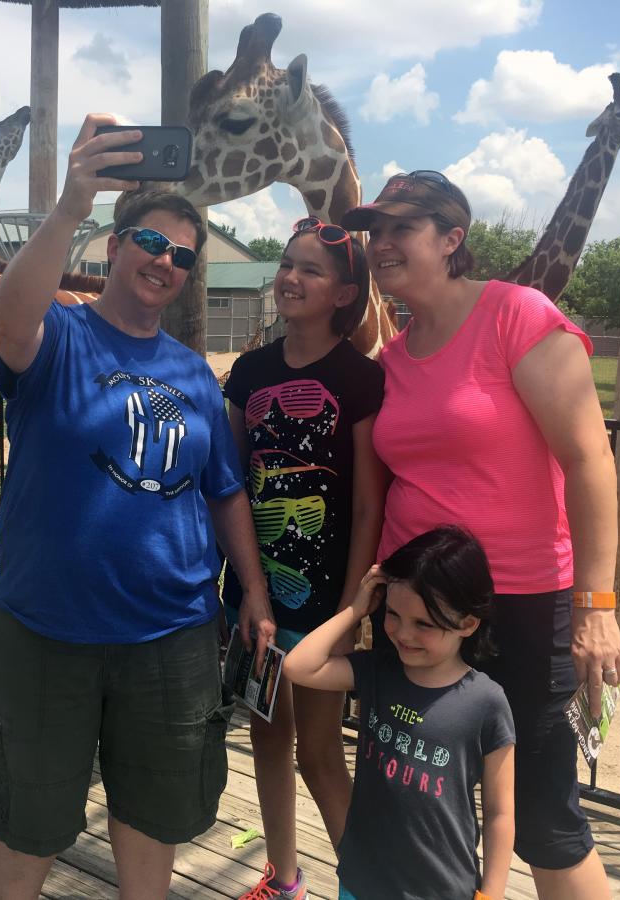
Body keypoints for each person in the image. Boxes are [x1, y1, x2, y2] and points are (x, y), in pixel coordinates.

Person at [0, 114, 276, 900]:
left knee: (154, 814)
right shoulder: (59, 339)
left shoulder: (194, 374)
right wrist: (73, 201)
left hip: (172, 639)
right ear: (114, 248)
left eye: (182, 255)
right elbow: (9, 315)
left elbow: (224, 490)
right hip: (46, 632)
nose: (165, 262)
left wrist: (253, 593)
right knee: (29, 819)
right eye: (149, 242)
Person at [340, 171, 620, 899]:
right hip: (419, 612)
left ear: (452, 238)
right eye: (377, 231)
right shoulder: (394, 358)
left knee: (542, 818)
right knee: (427, 797)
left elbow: (590, 459)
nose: (383, 244)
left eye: (402, 227)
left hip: (521, 605)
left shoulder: (516, 316)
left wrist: (597, 605)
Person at [221, 217, 386, 900]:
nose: (291, 277)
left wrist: (351, 610)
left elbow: (372, 507)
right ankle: (283, 877)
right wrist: (243, 589)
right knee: (266, 738)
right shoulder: (250, 372)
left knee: (319, 755)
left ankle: (368, 888)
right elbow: (231, 483)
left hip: (323, 605)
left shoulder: (361, 380)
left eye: (311, 270)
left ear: (344, 293)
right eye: (287, 263)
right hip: (257, 591)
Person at [284, 526, 516, 900]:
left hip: (442, 889)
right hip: (362, 881)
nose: (403, 633)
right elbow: (299, 666)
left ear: (468, 624)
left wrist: (492, 893)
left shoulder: (487, 702)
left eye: (423, 623)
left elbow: (500, 811)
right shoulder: (377, 671)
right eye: (393, 614)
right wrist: (356, 609)